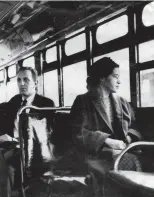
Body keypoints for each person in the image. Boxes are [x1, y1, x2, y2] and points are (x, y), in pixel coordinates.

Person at [68, 57, 142, 197]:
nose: (119, 81)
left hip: (121, 152)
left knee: (132, 162)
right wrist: (106, 141)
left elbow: (134, 126)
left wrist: (128, 138)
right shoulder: (83, 101)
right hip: (94, 155)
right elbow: (76, 133)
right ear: (102, 78)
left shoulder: (122, 102)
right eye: (115, 77)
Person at [0, 67, 55, 197]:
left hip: (31, 148)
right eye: (18, 80)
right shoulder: (15, 101)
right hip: (10, 144)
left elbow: (47, 133)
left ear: (35, 83)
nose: (21, 83)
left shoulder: (45, 103)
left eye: (26, 80)